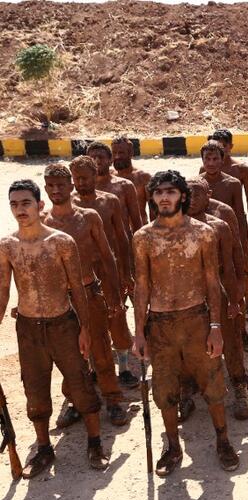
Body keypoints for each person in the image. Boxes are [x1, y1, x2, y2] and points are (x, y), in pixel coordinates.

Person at [132, 170, 239, 476]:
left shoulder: (203, 233)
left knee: (213, 384)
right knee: (165, 389)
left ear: (182, 196)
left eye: (171, 192)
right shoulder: (143, 237)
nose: (164, 197)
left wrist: (216, 327)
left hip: (197, 318)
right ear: (152, 197)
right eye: (158, 192)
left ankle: (223, 441)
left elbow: (211, 282)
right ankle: (173, 447)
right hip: (161, 323)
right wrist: (139, 332)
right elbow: (141, 285)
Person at [0, 179, 110, 477]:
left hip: (64, 323)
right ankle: (43, 447)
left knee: (80, 383)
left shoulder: (61, 242)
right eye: (14, 204)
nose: (20, 209)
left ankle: (95, 442)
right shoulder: (7, 245)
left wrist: (85, 329)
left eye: (25, 203)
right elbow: (2, 291)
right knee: (34, 388)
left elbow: (77, 288)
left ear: (40, 205)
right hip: (28, 328)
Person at [42, 163, 129, 427]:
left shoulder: (89, 217)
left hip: (91, 291)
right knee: (69, 354)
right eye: (51, 185)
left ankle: (113, 400)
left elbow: (107, 256)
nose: (56, 190)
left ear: (71, 186)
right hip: (59, 300)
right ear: (45, 188)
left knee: (100, 348)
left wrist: (114, 295)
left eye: (61, 184)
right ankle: (75, 401)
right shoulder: (42, 220)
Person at [186, 177, 248, 420]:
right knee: (189, 343)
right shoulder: (173, 226)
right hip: (188, 296)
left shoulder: (219, 226)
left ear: (208, 195)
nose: (192, 199)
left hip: (220, 292)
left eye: (197, 194)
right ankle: (188, 388)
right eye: (187, 194)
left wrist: (235, 300)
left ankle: (239, 386)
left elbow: (231, 266)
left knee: (231, 340)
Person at [70, 156, 138, 388]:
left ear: (95, 174)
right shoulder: (68, 205)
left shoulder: (109, 201)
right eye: (76, 178)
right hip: (83, 274)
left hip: (111, 268)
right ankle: (91, 369)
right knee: (85, 321)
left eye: (85, 177)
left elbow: (122, 237)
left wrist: (127, 272)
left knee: (116, 315)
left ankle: (125, 368)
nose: (80, 182)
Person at [200, 140, 248, 352]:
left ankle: (241, 333)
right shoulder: (197, 183)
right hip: (207, 243)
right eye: (208, 159)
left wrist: (241, 243)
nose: (212, 163)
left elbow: (239, 214)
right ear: (202, 160)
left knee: (233, 291)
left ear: (222, 160)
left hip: (229, 240)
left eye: (216, 159)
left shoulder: (232, 183)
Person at [87, 141, 142, 235]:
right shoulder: (84, 187)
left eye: (101, 157)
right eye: (93, 158)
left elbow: (136, 220)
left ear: (110, 160)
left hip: (122, 244)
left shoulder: (125, 186)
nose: (96, 161)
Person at [111, 135, 152, 224]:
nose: (117, 156)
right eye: (114, 153)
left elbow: (153, 210)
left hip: (139, 230)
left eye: (121, 153)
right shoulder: (109, 177)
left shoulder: (143, 177)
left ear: (131, 153)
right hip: (117, 233)